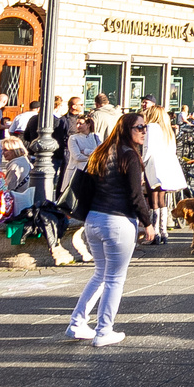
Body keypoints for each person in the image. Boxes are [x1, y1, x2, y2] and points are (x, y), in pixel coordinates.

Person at [66, 114, 156, 344]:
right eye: (140, 127)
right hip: (117, 222)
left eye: (145, 127)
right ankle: (104, 331)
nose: (144, 131)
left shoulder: (101, 152)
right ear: (127, 129)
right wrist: (148, 223)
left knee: (100, 274)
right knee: (115, 279)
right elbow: (136, 196)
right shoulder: (130, 156)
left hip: (93, 220)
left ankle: (77, 323)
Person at [141, 103, 187, 245]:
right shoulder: (167, 130)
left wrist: (141, 163)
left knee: (152, 198)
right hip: (167, 165)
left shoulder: (151, 127)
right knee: (162, 198)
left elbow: (148, 148)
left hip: (154, 164)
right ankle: (163, 231)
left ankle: (154, 233)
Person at [63, 114, 101, 191]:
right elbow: (77, 156)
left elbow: (100, 153)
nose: (78, 126)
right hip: (76, 171)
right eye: (77, 123)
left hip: (91, 171)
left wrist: (87, 151)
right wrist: (93, 157)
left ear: (88, 125)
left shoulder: (95, 137)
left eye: (81, 123)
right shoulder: (73, 138)